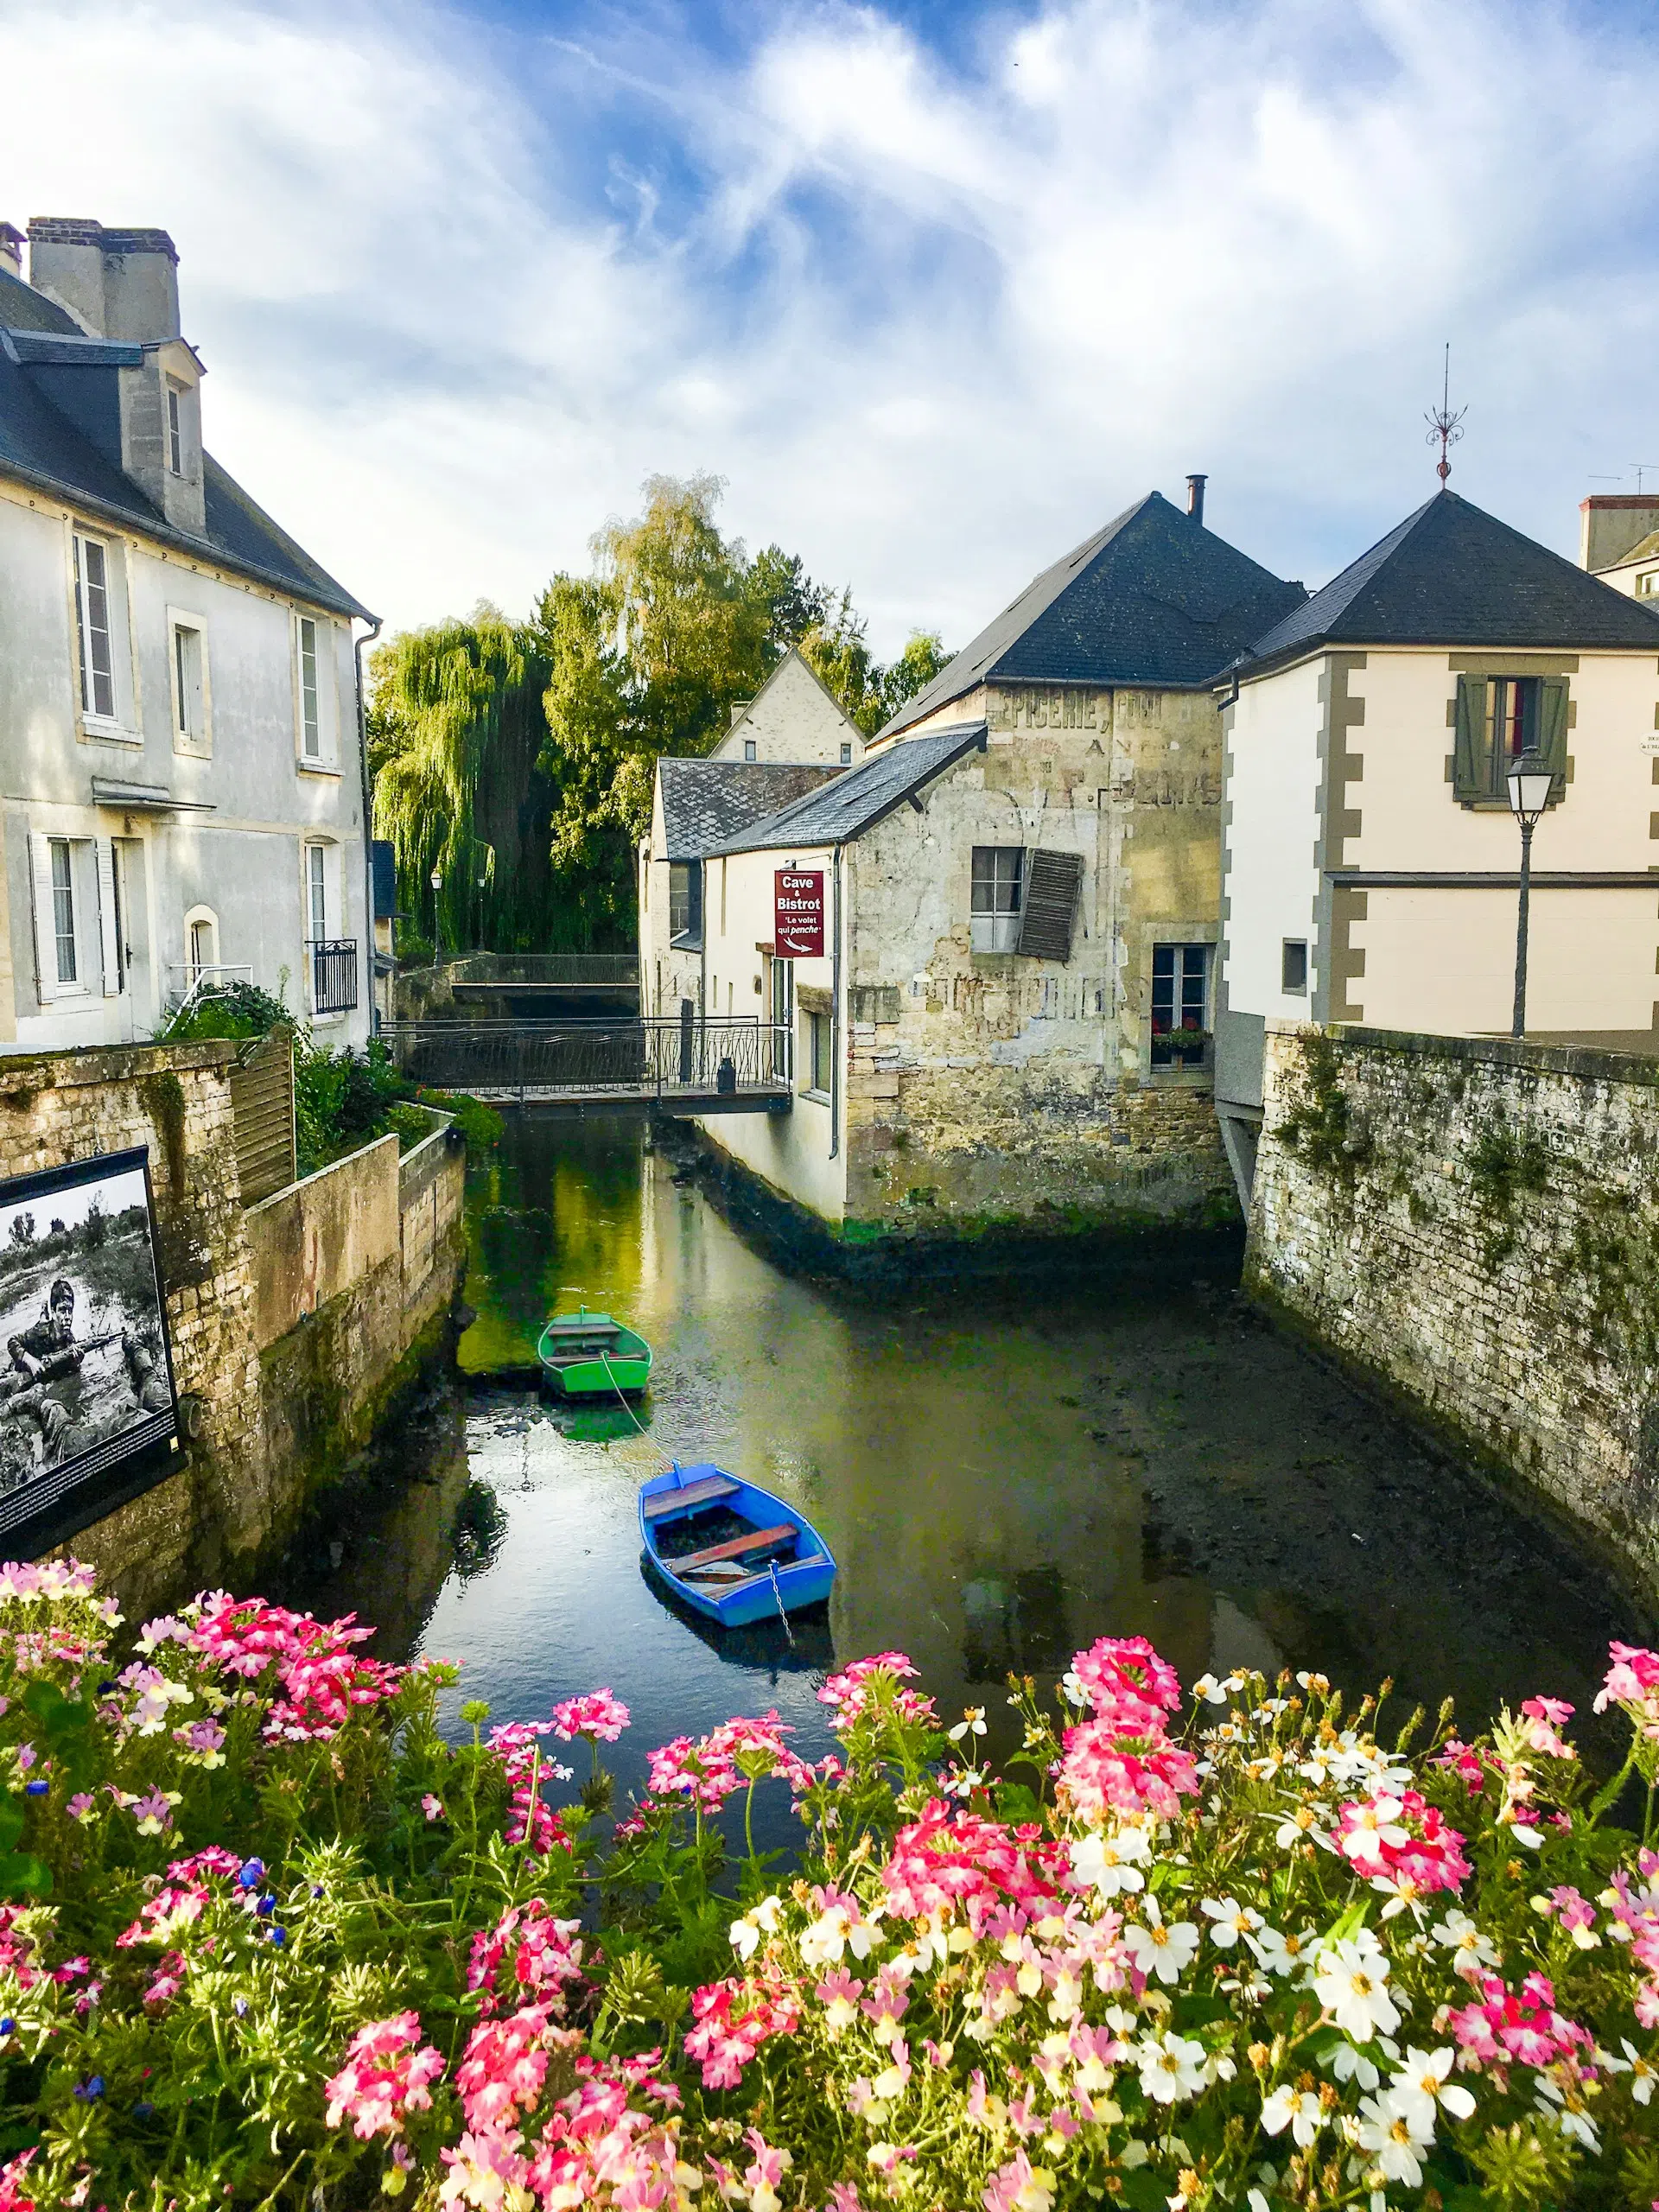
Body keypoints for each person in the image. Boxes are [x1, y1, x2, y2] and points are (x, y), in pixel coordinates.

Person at [7, 1281, 82, 1386]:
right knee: (42, 1325)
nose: (67, 1317)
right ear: (54, 1312)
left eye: (70, 1311)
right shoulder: (39, 1332)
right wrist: (29, 1360)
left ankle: (44, 1315)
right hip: (20, 1366)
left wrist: (75, 1363)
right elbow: (12, 1342)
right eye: (62, 1310)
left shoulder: (70, 1340)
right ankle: (44, 1314)